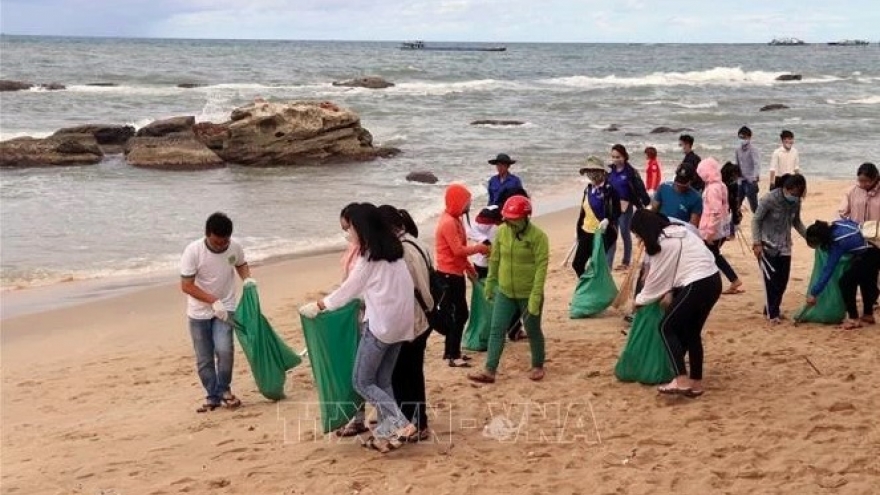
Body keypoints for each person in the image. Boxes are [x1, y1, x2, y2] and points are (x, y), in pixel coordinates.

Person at [299, 203, 418, 453]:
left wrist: (319, 306)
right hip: (401, 327)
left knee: (361, 382)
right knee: (383, 381)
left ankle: (402, 422)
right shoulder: (394, 253)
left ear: (361, 229)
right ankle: (385, 435)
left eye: (350, 227)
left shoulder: (369, 258)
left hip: (381, 327)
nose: (348, 232)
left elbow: (347, 291)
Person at [631, 209, 721, 397]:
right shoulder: (682, 231)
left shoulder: (665, 244)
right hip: (713, 281)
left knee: (666, 327)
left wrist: (638, 301)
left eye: (638, 235)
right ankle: (696, 384)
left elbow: (656, 281)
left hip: (697, 283)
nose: (639, 239)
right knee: (691, 332)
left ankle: (680, 380)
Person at [468, 196, 549, 384]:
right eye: (508, 218)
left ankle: (537, 364)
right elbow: (495, 259)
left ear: (526, 217)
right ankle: (489, 370)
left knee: (533, 330)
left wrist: (536, 296)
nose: (510, 222)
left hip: (528, 293)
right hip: (505, 292)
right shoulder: (502, 232)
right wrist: (490, 283)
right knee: (497, 329)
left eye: (514, 218)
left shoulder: (538, 237)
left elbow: (541, 268)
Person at [180, 212, 251, 413]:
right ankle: (212, 395)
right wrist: (212, 301)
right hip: (199, 311)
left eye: (224, 242)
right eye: (217, 242)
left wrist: (248, 280)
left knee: (225, 349)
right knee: (204, 357)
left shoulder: (234, 247)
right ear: (207, 235)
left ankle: (224, 390)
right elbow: (186, 285)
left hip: (226, 307)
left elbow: (241, 265)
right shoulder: (193, 252)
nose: (221, 246)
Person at [379, 205, 434, 441]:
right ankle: (419, 421)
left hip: (411, 320)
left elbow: (411, 288)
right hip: (424, 317)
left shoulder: (401, 252)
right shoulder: (418, 243)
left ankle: (412, 422)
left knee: (401, 374)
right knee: (413, 372)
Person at [435, 183, 490, 367]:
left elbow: (457, 253)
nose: (469, 205)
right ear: (458, 202)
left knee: (458, 314)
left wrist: (469, 269)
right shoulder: (449, 222)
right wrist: (480, 248)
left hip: (455, 272)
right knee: (458, 315)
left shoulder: (455, 219)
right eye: (467, 201)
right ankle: (453, 355)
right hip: (448, 275)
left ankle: (452, 352)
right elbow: (457, 250)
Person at [751, 174, 808, 324]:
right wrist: (757, 243)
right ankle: (773, 313)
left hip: (785, 246)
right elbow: (756, 220)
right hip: (767, 245)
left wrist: (808, 236)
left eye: (798, 194)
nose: (795, 196)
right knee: (771, 281)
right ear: (786, 188)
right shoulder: (769, 199)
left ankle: (770, 307)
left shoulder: (796, 202)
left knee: (783, 280)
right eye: (793, 193)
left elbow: (797, 222)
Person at [804, 219, 879, 329]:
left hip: (869, 255)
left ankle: (853, 319)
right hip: (874, 250)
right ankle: (868, 314)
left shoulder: (837, 242)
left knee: (846, 282)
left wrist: (814, 293)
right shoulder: (837, 224)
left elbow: (828, 269)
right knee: (864, 280)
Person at [697, 157, 743, 295]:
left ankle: (732, 280)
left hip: (712, 230)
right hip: (720, 228)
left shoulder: (713, 188)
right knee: (713, 256)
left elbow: (715, 212)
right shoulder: (721, 185)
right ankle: (733, 280)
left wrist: (709, 232)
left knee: (711, 256)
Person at [573, 158, 622, 276]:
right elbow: (584, 211)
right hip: (585, 231)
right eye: (588, 171)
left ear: (602, 172)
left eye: (594, 170)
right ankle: (585, 285)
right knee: (577, 264)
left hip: (601, 234)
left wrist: (608, 220)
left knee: (596, 265)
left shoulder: (610, 190)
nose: (591, 174)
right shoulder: (588, 189)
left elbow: (617, 211)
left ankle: (596, 289)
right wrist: (578, 230)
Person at [607, 144, 651, 271]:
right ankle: (608, 265)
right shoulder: (609, 170)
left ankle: (626, 262)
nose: (615, 159)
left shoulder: (631, 172)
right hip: (611, 207)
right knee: (612, 235)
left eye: (618, 157)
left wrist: (645, 202)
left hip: (625, 208)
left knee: (625, 234)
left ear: (625, 156)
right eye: (613, 157)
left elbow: (639, 188)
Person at [467, 206, 502, 279]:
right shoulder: (475, 228)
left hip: (494, 262)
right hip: (480, 263)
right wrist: (486, 242)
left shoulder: (496, 223)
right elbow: (470, 232)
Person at [735, 126, 761, 213]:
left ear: (749, 137)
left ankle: (759, 224)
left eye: (744, 137)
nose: (742, 139)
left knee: (754, 207)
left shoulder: (753, 150)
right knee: (736, 204)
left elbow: (756, 164)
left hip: (750, 181)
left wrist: (755, 177)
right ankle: (734, 224)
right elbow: (737, 165)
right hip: (741, 181)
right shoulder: (737, 150)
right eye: (740, 137)